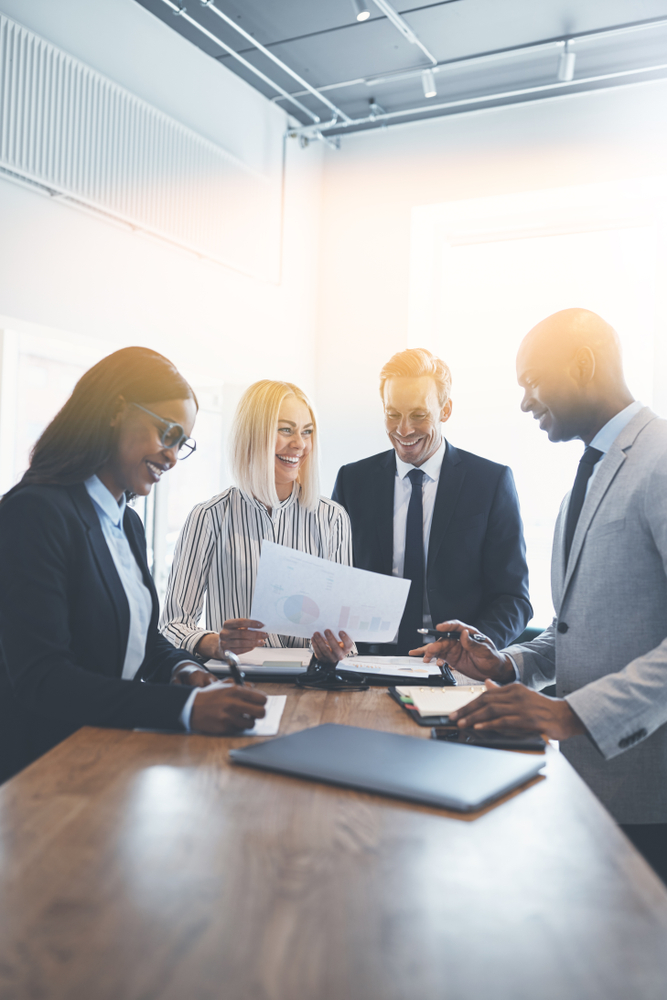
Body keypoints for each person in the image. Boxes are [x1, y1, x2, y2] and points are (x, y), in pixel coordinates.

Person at [419, 309, 667, 882]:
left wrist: (571, 714)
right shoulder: (583, 481)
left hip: (653, 800)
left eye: (532, 381)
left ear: (583, 365)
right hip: (591, 792)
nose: (526, 402)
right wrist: (505, 663)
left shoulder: (658, 461)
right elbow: (574, 631)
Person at [0, 347, 267, 784]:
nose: (173, 456)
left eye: (182, 443)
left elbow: (140, 640)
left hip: (109, 756)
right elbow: (43, 678)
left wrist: (184, 670)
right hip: (41, 771)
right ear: (115, 412)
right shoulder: (34, 513)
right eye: (167, 433)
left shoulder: (127, 521)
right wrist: (184, 709)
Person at [331, 348, 532, 655]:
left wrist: (473, 648)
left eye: (419, 415)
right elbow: (334, 581)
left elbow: (513, 598)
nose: (404, 429)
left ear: (446, 410)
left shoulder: (490, 482)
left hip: (456, 667)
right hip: (365, 665)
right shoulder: (352, 481)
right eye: (392, 414)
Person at [161, 380, 353, 666]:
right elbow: (173, 624)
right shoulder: (210, 516)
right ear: (253, 435)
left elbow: (344, 630)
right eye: (286, 429)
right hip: (238, 685)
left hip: (316, 685)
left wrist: (341, 648)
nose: (299, 444)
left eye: (307, 432)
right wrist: (215, 644)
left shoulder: (333, 519)